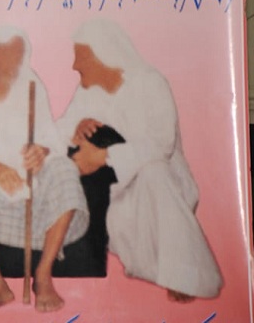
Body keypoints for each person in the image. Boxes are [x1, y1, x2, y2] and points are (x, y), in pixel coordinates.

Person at [57, 18, 222, 302]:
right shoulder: (88, 90)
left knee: (152, 171)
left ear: (102, 56)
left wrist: (105, 156)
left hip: (163, 186)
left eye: (80, 57)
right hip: (115, 190)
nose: (74, 65)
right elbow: (62, 128)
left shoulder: (150, 82)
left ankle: (185, 274)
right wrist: (76, 128)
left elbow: (161, 144)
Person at [0, 26, 88, 315]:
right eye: (9, 53)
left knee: (65, 168)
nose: (16, 60)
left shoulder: (32, 87)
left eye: (20, 53)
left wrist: (42, 151)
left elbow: (52, 139)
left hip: (33, 177)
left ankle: (43, 274)